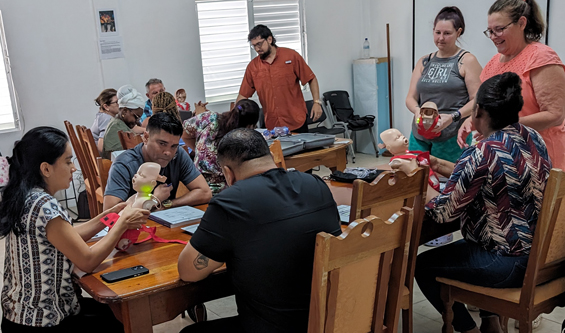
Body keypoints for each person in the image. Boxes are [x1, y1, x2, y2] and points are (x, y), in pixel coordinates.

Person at [415, 72, 552, 333]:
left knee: (422, 265)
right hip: (540, 255)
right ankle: (490, 322)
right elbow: (492, 179)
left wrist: (426, 187)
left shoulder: (480, 153)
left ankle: (468, 329)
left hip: (508, 263)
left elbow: (443, 213)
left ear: (477, 110)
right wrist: (439, 166)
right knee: (476, 242)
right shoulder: (533, 137)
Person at [177, 128, 341, 333]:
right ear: (272, 157)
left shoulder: (230, 203)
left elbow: (188, 272)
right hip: (330, 319)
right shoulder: (316, 184)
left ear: (228, 173)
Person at [0, 127, 150, 332]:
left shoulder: (28, 196)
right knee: (120, 318)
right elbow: (87, 261)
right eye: (68, 161)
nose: (74, 169)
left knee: (113, 314)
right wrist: (122, 223)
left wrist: (110, 215)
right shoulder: (44, 205)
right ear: (46, 169)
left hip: (19, 316)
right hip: (41, 321)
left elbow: (69, 236)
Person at [457, 0, 565, 170]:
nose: (493, 37)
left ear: (522, 23)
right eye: (490, 31)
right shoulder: (493, 64)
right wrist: (472, 120)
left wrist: (502, 126)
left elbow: (555, 115)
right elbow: (484, 106)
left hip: (539, 161)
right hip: (505, 161)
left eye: (499, 29)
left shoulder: (541, 58)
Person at [405, 6, 482, 163]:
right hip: (420, 134)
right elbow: (410, 97)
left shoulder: (466, 60)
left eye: (447, 33)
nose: (441, 38)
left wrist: (453, 117)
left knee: (447, 183)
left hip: (451, 137)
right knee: (415, 178)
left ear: (458, 32)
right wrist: (417, 110)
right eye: (437, 32)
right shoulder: (424, 61)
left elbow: (478, 100)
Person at [103, 112, 211, 211]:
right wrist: (155, 200)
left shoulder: (178, 155)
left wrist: (166, 204)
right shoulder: (125, 164)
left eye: (173, 146)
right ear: (145, 137)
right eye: (162, 144)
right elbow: (109, 213)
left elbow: (205, 193)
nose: (168, 152)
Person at [236, 24, 323, 133]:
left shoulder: (291, 56)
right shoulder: (253, 67)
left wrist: (316, 102)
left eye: (259, 44)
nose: (257, 48)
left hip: (296, 121)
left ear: (269, 39)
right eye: (254, 46)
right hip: (273, 126)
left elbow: (311, 78)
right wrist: (234, 116)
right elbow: (243, 95)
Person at [182, 99, 259, 195]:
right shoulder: (244, 139)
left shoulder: (209, 117)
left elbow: (185, 132)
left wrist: (199, 149)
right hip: (225, 192)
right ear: (251, 125)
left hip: (197, 187)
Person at [102, 85, 146, 159]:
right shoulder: (117, 127)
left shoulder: (117, 122)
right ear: (125, 111)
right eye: (136, 117)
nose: (136, 122)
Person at [91, 88, 118, 153]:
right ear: (106, 107)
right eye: (117, 102)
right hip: (103, 159)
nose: (120, 104)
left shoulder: (101, 116)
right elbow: (101, 147)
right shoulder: (107, 119)